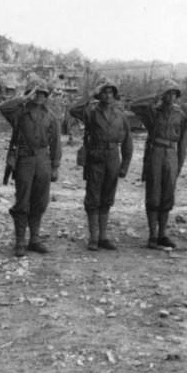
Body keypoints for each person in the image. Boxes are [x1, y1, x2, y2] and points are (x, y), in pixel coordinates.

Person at [0, 76, 62, 257]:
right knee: (22, 201)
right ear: (30, 93)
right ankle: (20, 241)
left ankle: (34, 239)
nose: (39, 96)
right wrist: (25, 98)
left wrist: (55, 166)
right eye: (36, 93)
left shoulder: (50, 117)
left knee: (40, 201)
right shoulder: (19, 113)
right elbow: (3, 108)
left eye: (42, 93)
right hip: (24, 159)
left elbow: (56, 143)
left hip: (43, 160)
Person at [69, 78, 133, 251]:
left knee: (107, 198)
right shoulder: (91, 112)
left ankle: (103, 237)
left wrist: (125, 166)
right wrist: (91, 94)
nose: (108, 95)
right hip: (95, 157)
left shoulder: (120, 116)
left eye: (111, 92)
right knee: (93, 197)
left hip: (113, 158)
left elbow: (127, 142)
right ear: (99, 94)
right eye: (104, 92)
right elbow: (73, 110)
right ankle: (93, 237)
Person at [130, 79, 187, 249]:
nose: (171, 96)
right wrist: (155, 96)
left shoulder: (180, 115)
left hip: (171, 153)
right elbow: (134, 105)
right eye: (167, 93)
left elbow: (183, 140)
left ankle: (163, 234)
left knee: (168, 194)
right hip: (155, 151)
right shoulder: (152, 112)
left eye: (174, 93)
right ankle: (152, 235)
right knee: (154, 194)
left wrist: (180, 162)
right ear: (162, 95)